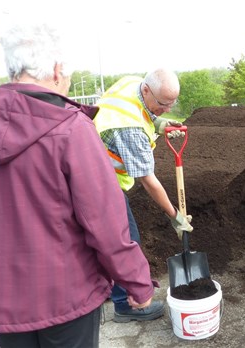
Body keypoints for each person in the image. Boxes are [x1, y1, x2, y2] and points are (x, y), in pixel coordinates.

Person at [0, 23, 161, 348]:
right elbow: (106, 223)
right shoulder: (71, 130)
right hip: (66, 297)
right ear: (58, 69)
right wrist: (138, 284)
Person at [93, 68, 193, 322]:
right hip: (101, 183)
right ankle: (126, 305)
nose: (167, 109)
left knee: (100, 240)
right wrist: (175, 217)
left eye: (172, 104)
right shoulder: (130, 130)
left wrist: (157, 120)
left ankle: (101, 287)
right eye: (163, 104)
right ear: (147, 90)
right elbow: (148, 181)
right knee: (126, 240)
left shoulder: (133, 84)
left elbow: (139, 109)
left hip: (90, 169)